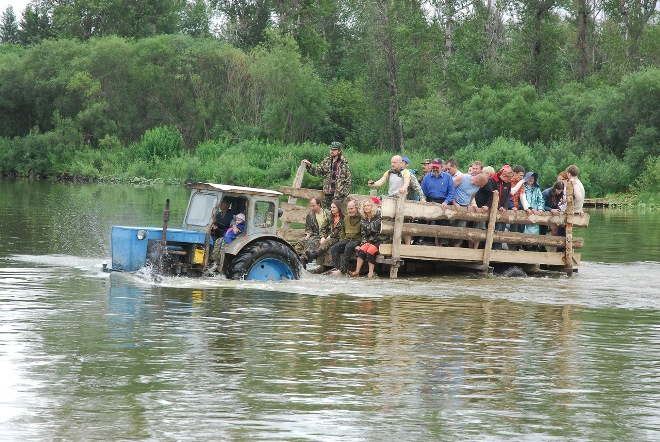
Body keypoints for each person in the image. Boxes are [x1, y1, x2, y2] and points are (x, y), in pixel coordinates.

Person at [301, 142, 352, 210]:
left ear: (339, 151)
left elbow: (348, 180)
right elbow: (317, 172)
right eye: (331, 149)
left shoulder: (344, 163)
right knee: (326, 214)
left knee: (337, 215)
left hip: (338, 195)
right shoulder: (326, 161)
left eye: (334, 150)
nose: (332, 151)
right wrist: (309, 165)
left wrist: (343, 193)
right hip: (327, 194)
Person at [349, 198, 384, 278]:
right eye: (364, 206)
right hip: (371, 240)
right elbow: (364, 234)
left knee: (370, 250)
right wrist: (362, 244)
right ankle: (357, 272)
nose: (366, 207)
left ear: (372, 206)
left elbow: (377, 229)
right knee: (362, 250)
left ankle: (370, 273)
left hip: (381, 239)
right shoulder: (363, 219)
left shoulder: (378, 215)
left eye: (368, 205)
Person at [452, 170, 488, 247]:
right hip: (454, 204)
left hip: (464, 206)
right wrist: (454, 202)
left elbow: (472, 196)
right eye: (481, 185)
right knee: (449, 224)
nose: (481, 187)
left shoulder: (477, 187)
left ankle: (456, 247)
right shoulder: (463, 177)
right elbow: (451, 189)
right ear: (477, 180)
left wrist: (469, 204)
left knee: (461, 227)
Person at [303, 200, 344, 264]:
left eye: (334, 207)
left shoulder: (343, 218)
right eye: (331, 207)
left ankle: (314, 254)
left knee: (327, 242)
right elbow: (322, 229)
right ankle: (305, 258)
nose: (332, 209)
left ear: (338, 208)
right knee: (316, 241)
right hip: (328, 237)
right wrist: (322, 237)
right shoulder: (330, 217)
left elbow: (338, 231)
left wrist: (329, 236)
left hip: (338, 238)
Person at [329, 199, 362, 276]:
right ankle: (337, 268)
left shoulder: (361, 218)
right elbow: (342, 233)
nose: (350, 211)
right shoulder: (346, 219)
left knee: (348, 247)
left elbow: (364, 234)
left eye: (352, 209)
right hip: (347, 239)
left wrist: (360, 245)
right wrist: (341, 242)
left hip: (357, 240)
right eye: (348, 209)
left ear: (356, 208)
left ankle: (343, 270)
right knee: (334, 248)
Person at [485, 165, 514, 250]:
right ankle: (491, 249)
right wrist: (499, 206)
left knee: (501, 229)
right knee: (492, 229)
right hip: (493, 208)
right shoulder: (492, 181)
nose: (509, 181)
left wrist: (504, 207)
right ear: (504, 175)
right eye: (508, 178)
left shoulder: (508, 183)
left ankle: (498, 249)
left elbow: (508, 195)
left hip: (503, 209)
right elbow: (492, 195)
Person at [295, 197, 330, 268]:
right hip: (315, 235)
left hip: (325, 235)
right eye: (311, 205)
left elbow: (332, 227)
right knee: (301, 241)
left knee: (313, 242)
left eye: (313, 205)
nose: (312, 207)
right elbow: (309, 228)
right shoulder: (310, 215)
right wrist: (308, 234)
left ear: (319, 204)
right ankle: (294, 258)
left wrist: (326, 237)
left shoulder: (327, 214)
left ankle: (304, 259)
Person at [520, 172, 545, 248]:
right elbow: (522, 200)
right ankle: (523, 246)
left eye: (532, 178)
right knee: (524, 230)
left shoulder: (537, 189)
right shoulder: (522, 187)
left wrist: (540, 208)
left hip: (535, 213)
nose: (531, 180)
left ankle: (534, 246)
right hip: (526, 212)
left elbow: (541, 200)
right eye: (529, 178)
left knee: (535, 230)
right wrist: (529, 208)